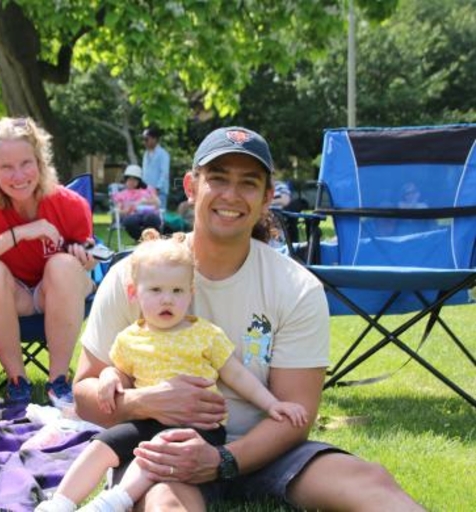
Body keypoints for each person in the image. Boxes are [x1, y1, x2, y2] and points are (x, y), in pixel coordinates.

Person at [72, 127, 424, 511]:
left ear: (267, 197)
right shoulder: (138, 276)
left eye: (248, 183)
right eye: (218, 179)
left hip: (265, 450)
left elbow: (296, 414)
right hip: (162, 447)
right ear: (191, 187)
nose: (231, 195)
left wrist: (223, 460)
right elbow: (86, 396)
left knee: (371, 483)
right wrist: (144, 402)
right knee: (164, 505)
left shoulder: (296, 287)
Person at [37, 229, 306, 512]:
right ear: (134, 293)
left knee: (159, 450)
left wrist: (272, 404)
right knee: (101, 445)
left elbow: (236, 375)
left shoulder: (204, 334)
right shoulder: (130, 338)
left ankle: (112, 502)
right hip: (148, 419)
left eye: (177, 291)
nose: (167, 300)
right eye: (155, 290)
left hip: (200, 428)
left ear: (190, 294)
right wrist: (107, 377)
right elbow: (120, 373)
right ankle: (59, 503)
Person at [0, 116, 97, 407]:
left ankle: (59, 382)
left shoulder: (70, 204)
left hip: (53, 295)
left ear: (40, 162)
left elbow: (89, 261)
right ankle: (17, 381)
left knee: (64, 265)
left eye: (25, 163)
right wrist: (19, 234)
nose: (18, 176)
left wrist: (86, 258)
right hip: (8, 296)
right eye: (6, 166)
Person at [112, 164, 161, 241]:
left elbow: (157, 203)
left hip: (148, 213)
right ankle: (143, 241)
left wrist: (145, 201)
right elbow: (118, 210)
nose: (132, 182)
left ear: (139, 181)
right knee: (130, 222)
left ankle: (152, 240)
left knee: (151, 218)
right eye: (129, 179)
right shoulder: (121, 195)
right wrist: (125, 211)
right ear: (125, 180)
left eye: (135, 180)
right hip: (132, 215)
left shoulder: (148, 190)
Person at [141, 128, 171, 211]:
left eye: (146, 139)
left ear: (154, 139)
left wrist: (157, 189)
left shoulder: (163, 154)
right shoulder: (145, 154)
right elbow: (144, 173)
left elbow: (164, 173)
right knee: (145, 214)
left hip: (159, 192)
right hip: (146, 191)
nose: (144, 142)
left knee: (159, 217)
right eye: (143, 139)